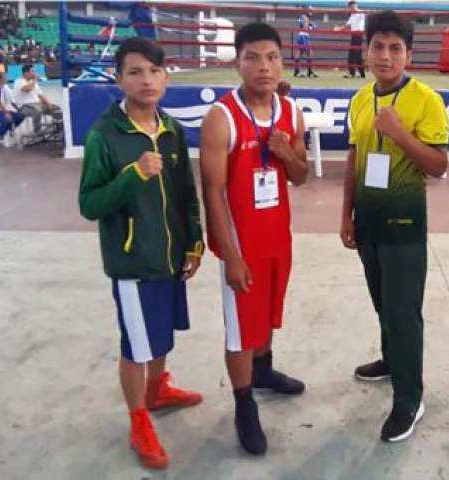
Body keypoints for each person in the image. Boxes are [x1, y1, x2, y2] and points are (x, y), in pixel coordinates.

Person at [78, 37, 205, 470]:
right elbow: (90, 204)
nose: (146, 79)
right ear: (119, 79)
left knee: (160, 332)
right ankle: (138, 418)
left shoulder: (170, 128)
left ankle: (157, 389)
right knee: (136, 343)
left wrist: (194, 240)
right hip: (132, 262)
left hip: (169, 257)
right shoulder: (104, 135)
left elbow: (187, 192)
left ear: (166, 77)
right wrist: (132, 175)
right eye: (135, 71)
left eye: (154, 71)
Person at [199, 22, 309, 456]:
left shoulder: (291, 111)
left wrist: (284, 152)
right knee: (240, 330)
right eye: (252, 58)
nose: (263, 67)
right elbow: (212, 192)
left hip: (277, 237)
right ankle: (244, 403)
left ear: (282, 62)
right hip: (240, 244)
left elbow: (299, 177)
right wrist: (230, 255)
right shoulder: (221, 117)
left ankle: (263, 372)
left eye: (271, 58)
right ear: (237, 62)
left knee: (265, 314)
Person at [341, 10, 449, 442]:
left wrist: (402, 135)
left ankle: (409, 400)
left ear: (408, 54)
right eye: (377, 47)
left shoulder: (426, 99)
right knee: (383, 303)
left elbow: (439, 165)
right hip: (368, 221)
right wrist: (345, 213)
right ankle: (391, 361)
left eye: (394, 48)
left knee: (404, 314)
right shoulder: (360, 98)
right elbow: (353, 157)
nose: (385, 56)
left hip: (405, 224)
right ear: (366, 51)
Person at [13, 64, 61, 132]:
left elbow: (40, 95)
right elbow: (28, 89)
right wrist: (35, 80)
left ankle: (58, 128)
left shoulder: (33, 82)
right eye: (32, 72)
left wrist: (48, 104)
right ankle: (37, 130)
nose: (34, 73)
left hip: (37, 104)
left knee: (56, 108)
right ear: (26, 73)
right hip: (24, 106)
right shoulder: (19, 81)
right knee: (36, 111)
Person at [334, 0, 366, 79]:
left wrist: (355, 9)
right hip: (354, 35)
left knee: (352, 54)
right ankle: (362, 74)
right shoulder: (352, 15)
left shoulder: (360, 13)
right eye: (351, 6)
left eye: (354, 6)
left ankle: (352, 73)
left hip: (358, 34)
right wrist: (339, 28)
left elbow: (362, 15)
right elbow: (347, 24)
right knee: (357, 55)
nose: (353, 8)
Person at [0, 71, 23, 139]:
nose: (7, 79)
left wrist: (18, 109)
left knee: (20, 116)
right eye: (5, 77)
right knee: (7, 119)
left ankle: (9, 129)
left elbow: (11, 100)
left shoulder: (5, 87)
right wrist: (6, 113)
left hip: (4, 109)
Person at [294, 4, 318, 78]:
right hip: (304, 36)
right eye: (310, 10)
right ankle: (309, 71)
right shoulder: (305, 17)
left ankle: (297, 71)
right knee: (310, 53)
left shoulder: (302, 16)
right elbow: (305, 28)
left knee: (300, 52)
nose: (311, 12)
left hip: (301, 35)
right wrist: (312, 27)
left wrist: (310, 25)